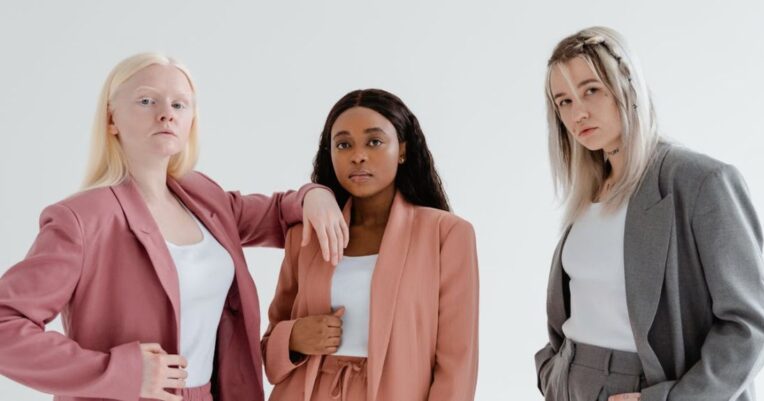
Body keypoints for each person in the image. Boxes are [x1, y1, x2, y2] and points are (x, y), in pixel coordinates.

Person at [0, 53, 348, 401]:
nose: (166, 113)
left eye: (179, 104)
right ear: (111, 118)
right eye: (146, 100)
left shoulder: (205, 197)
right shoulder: (81, 218)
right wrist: (123, 373)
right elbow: (6, 327)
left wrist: (314, 195)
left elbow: (277, 213)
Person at [535, 27, 764, 401]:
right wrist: (552, 372)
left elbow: (750, 326)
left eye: (591, 90)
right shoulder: (588, 194)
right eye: (563, 101)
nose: (578, 112)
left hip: (644, 386)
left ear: (627, 84)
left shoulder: (700, 182)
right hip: (570, 385)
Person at [262, 89, 479, 401]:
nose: (358, 155)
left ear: (402, 149)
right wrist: (293, 338)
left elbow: (458, 361)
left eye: (374, 141)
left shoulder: (447, 235)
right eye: (344, 144)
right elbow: (270, 347)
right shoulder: (305, 235)